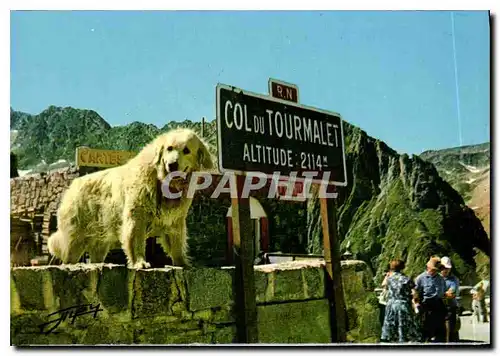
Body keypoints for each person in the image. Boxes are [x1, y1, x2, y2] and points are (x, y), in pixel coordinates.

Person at [380, 260, 421, 343]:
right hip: (403, 305)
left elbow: (383, 284)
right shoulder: (406, 279)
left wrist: (387, 276)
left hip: (391, 305)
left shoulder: (389, 278)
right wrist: (415, 303)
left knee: (391, 326)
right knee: (404, 327)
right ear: (402, 268)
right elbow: (414, 293)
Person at [415, 257, 447, 342]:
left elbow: (443, 291)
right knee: (426, 329)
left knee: (440, 330)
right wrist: (416, 304)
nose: (435, 271)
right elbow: (416, 293)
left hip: (438, 305)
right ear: (428, 268)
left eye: (437, 270)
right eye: (434, 269)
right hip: (426, 306)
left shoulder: (440, 278)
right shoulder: (420, 278)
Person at [440, 256, 460, 342]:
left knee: (452, 330)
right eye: (444, 268)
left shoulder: (454, 279)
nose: (446, 270)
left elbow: (452, 293)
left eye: (448, 268)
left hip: (450, 306)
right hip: (437, 307)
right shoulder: (435, 277)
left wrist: (440, 294)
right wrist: (444, 294)